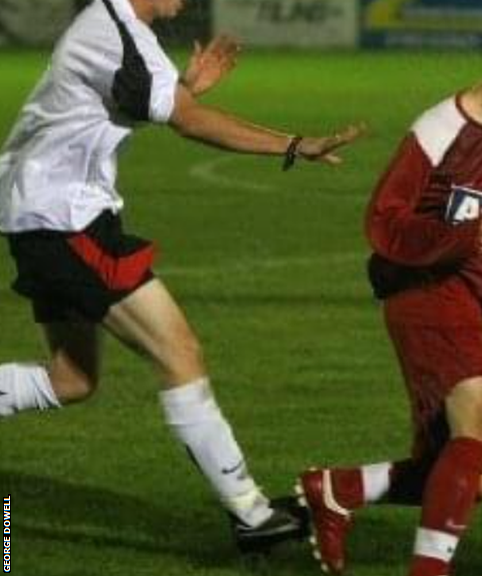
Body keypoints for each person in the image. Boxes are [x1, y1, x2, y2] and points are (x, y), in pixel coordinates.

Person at [0, 0, 362, 554]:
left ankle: (251, 514)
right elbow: (187, 121)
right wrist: (294, 143)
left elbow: (136, 102)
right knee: (180, 351)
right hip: (64, 221)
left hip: (46, 218)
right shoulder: (116, 29)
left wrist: (185, 86)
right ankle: (250, 513)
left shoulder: (115, 27)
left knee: (73, 379)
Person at [293, 2, 482, 575]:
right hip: (421, 291)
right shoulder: (440, 129)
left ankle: (336, 491)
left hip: (466, 302)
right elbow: (383, 224)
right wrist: (460, 236)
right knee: (478, 424)